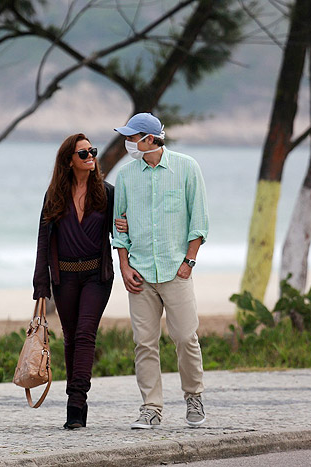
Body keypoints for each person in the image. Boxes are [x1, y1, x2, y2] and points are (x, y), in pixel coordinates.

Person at [111, 112, 209, 429]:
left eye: (132, 137)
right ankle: (151, 407)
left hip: (175, 270)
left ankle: (194, 398)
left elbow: (199, 221)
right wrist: (124, 266)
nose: (128, 143)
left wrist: (188, 262)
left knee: (185, 338)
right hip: (139, 273)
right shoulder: (126, 176)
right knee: (144, 343)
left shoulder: (186, 168)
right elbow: (119, 228)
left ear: (149, 139)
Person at [32, 133, 125, 429]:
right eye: (83, 154)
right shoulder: (54, 196)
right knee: (71, 338)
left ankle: (76, 402)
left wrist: (124, 225)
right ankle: (75, 405)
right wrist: (41, 287)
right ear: (69, 161)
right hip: (65, 277)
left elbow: (120, 234)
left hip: (97, 276)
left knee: (85, 334)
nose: (90, 157)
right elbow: (43, 242)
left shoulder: (107, 193)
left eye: (92, 151)